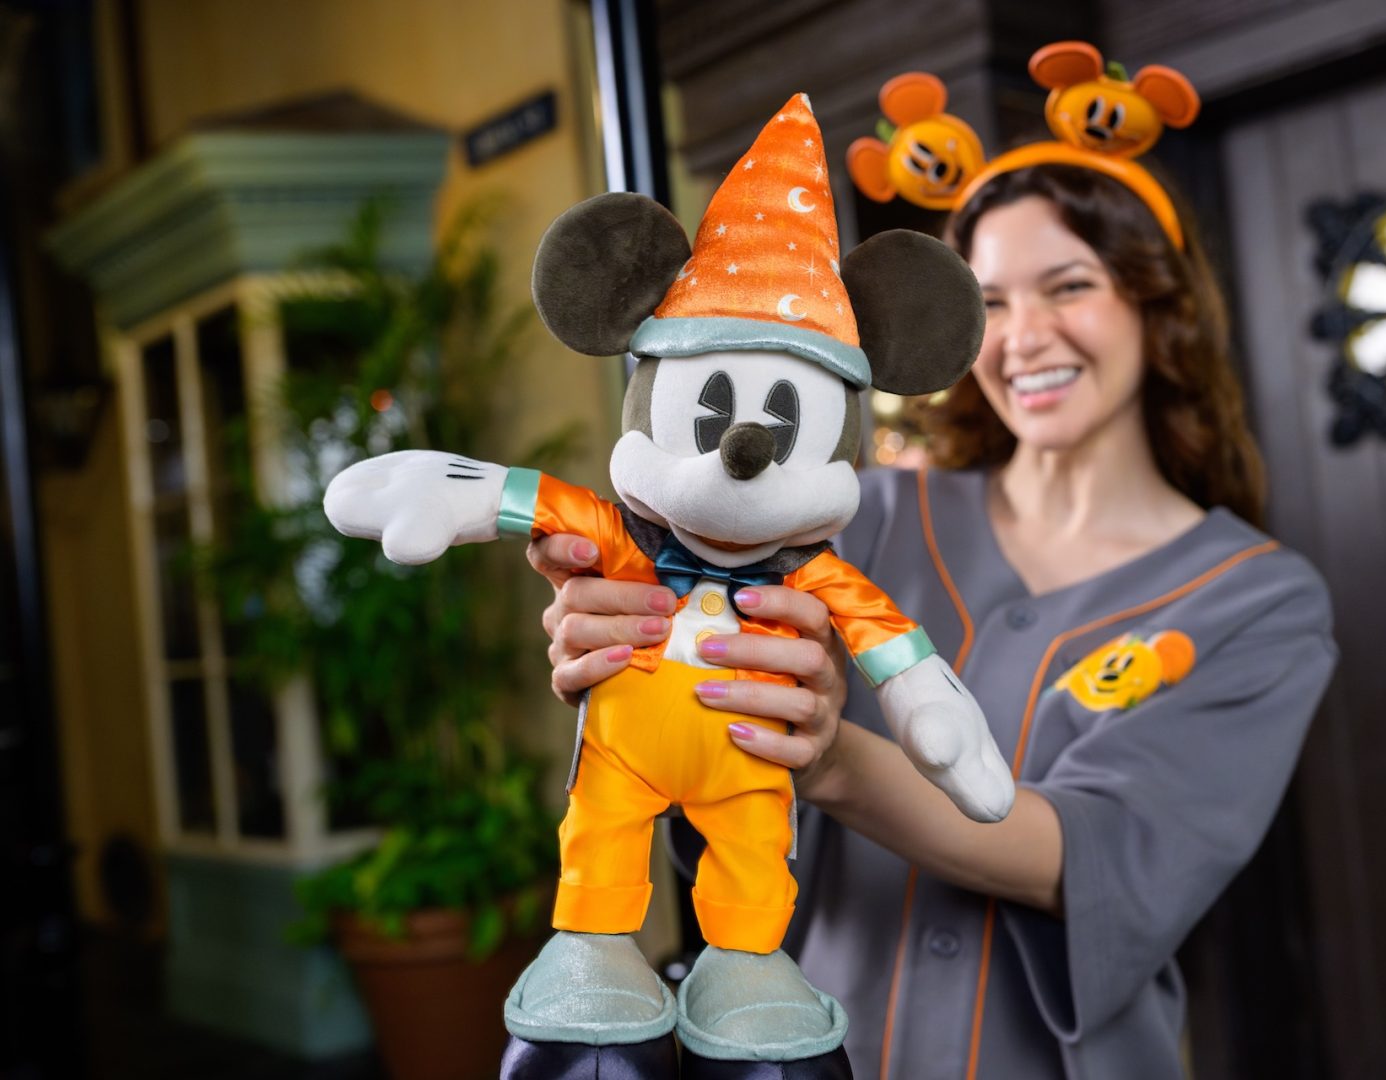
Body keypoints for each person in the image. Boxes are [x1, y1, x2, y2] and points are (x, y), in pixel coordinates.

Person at [528, 161, 1338, 1078]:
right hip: (817, 1047)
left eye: (1069, 286)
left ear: (1161, 305)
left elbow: (1099, 860)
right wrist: (631, 640)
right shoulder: (856, 517)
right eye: (993, 301)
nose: (1026, 335)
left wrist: (828, 754)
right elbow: (699, 761)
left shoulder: (1255, 600)